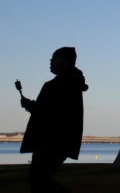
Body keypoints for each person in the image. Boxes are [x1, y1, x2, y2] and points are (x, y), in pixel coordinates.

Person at [19, 46, 88, 193]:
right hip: (58, 141)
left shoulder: (59, 84)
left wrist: (30, 105)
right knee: (40, 179)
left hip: (50, 141)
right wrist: (32, 105)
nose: (51, 61)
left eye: (54, 58)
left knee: (38, 180)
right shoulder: (71, 83)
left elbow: (48, 112)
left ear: (65, 62)